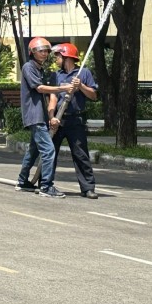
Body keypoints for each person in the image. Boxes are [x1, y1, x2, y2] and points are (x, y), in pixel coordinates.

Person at [15, 36, 76, 198]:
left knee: (34, 150)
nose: (44, 54)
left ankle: (22, 181)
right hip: (34, 115)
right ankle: (46, 186)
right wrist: (62, 88)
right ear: (32, 52)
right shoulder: (28, 67)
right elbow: (40, 88)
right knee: (49, 150)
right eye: (41, 51)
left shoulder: (40, 69)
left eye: (46, 51)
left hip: (40, 115)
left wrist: (50, 115)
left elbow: (46, 95)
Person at [49, 43, 99, 199]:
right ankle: (45, 184)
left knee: (80, 154)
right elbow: (52, 98)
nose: (56, 59)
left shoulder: (84, 73)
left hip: (75, 120)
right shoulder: (56, 75)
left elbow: (93, 96)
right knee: (50, 153)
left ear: (66, 57)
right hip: (58, 119)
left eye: (58, 56)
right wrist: (52, 118)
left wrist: (81, 86)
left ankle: (88, 188)